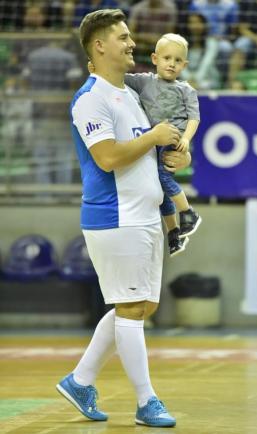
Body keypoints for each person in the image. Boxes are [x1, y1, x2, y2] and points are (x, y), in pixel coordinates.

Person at [56, 8, 191, 428]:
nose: (133, 43)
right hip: (115, 219)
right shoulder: (90, 98)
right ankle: (146, 401)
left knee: (140, 306)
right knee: (131, 307)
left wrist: (175, 154)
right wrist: (153, 136)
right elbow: (109, 157)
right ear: (99, 46)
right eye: (123, 37)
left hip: (146, 216)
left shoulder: (132, 95)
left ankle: (80, 381)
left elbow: (148, 154)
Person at [122, 33, 202, 257]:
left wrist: (185, 139)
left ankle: (188, 213)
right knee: (161, 189)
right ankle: (173, 232)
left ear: (184, 65)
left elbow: (194, 118)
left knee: (164, 178)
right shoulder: (143, 81)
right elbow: (117, 77)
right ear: (155, 59)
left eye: (178, 61)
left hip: (174, 139)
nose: (172, 64)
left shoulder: (186, 90)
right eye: (167, 58)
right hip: (152, 141)